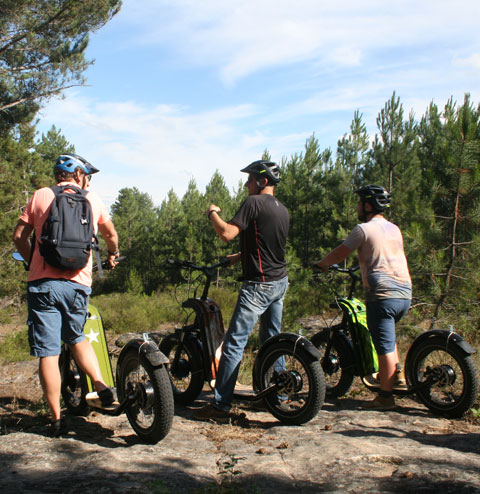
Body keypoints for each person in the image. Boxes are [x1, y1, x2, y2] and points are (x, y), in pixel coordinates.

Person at [12, 154, 120, 435]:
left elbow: (18, 236)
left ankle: (57, 418)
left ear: (58, 175)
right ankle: (100, 384)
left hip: (43, 283)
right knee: (76, 337)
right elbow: (111, 235)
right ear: (79, 174)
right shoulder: (92, 199)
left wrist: (30, 259)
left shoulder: (40, 195)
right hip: (78, 284)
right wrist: (113, 254)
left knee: (48, 352)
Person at [194, 160, 290, 421]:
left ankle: (220, 405)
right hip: (279, 282)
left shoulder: (253, 203)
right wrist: (240, 256)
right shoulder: (282, 210)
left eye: (249, 179)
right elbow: (268, 245)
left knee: (234, 343)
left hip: (258, 285)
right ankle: (278, 395)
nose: (246, 184)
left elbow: (226, 233)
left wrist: (212, 212)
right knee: (274, 340)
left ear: (262, 181)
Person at [314, 184, 412, 411]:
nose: (358, 207)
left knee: (384, 346)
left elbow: (342, 252)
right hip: (404, 293)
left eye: (360, 203)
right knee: (388, 337)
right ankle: (397, 377)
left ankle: (385, 397)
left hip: (382, 295)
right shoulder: (394, 229)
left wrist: (322, 264)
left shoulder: (364, 229)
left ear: (368, 205)